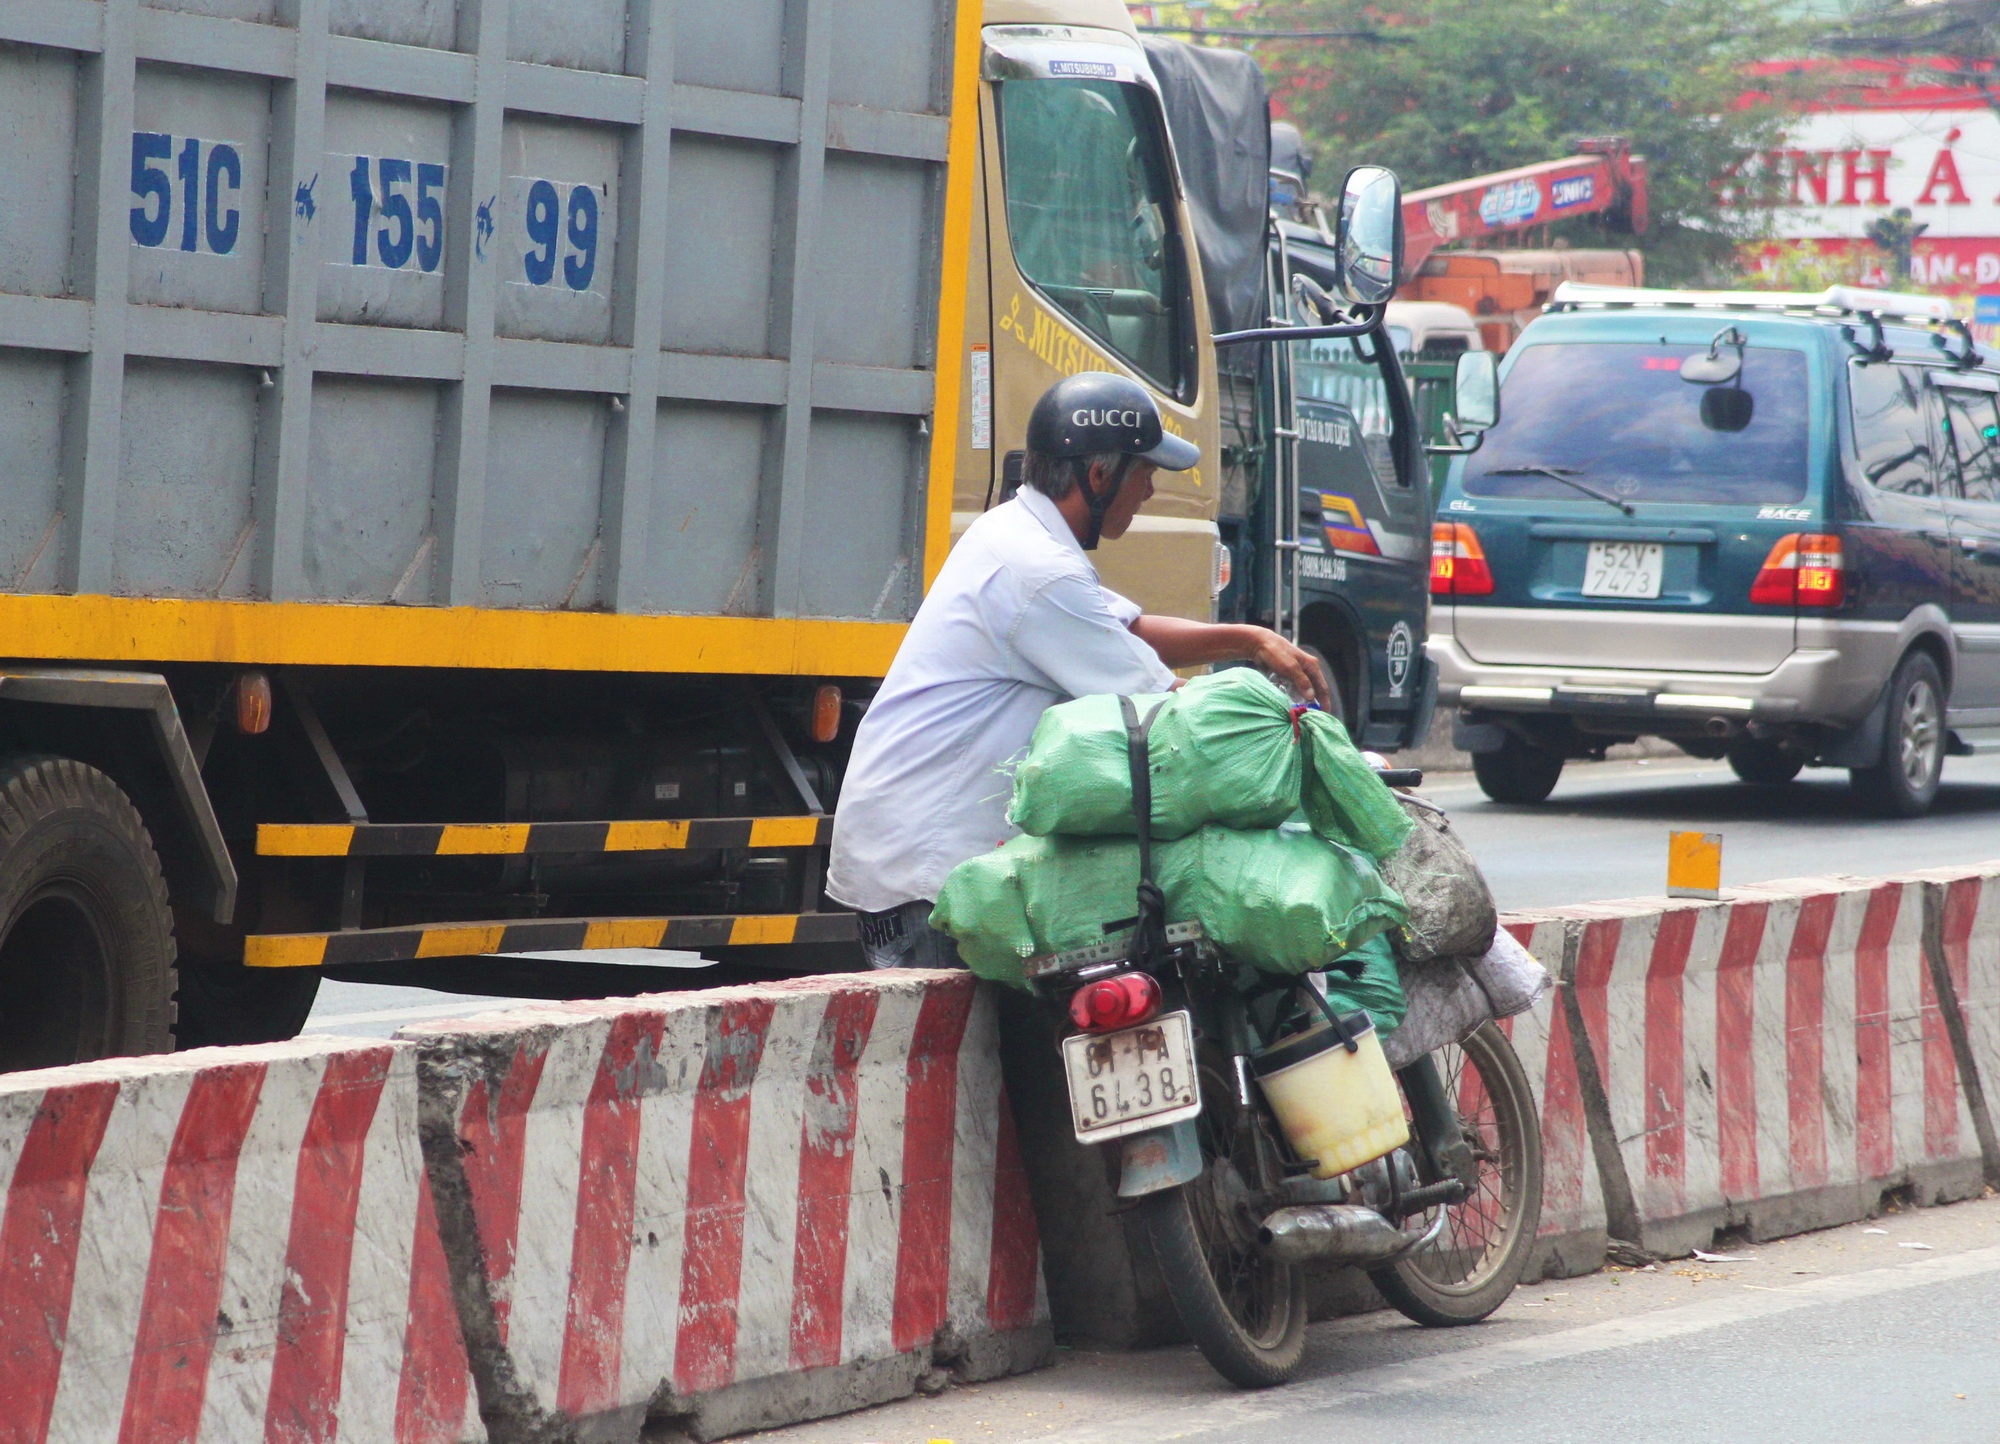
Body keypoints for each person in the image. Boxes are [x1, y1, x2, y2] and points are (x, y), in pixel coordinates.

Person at [827, 372, 1330, 968]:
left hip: (921, 852)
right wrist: (1287, 734)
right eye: (1144, 474)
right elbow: (1173, 711)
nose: (1148, 492)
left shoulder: (1017, 533)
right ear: (1099, 476)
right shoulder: (1039, 572)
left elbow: (1125, 631)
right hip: (930, 874)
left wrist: (1249, 640)